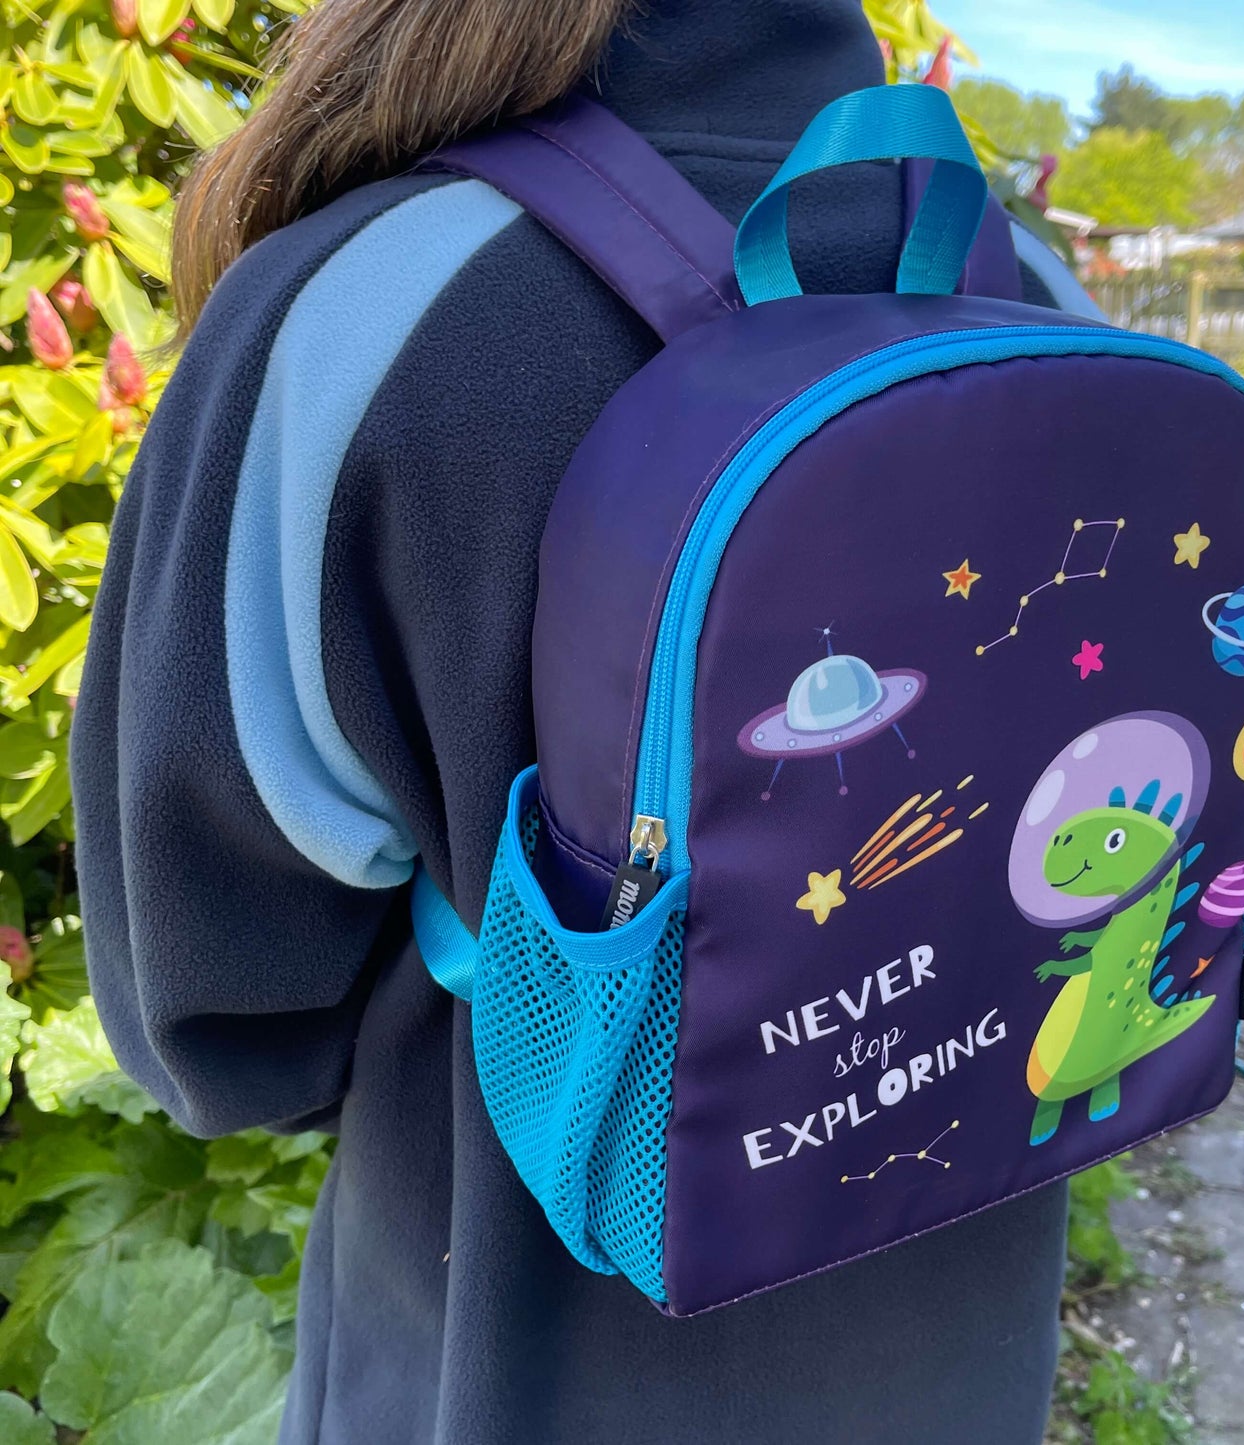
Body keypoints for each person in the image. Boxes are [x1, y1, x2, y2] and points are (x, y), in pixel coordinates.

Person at [73, 2, 1069, 1440]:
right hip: (960, 1272)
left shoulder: (369, 306)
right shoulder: (1029, 286)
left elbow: (213, 1003)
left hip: (507, 1332)